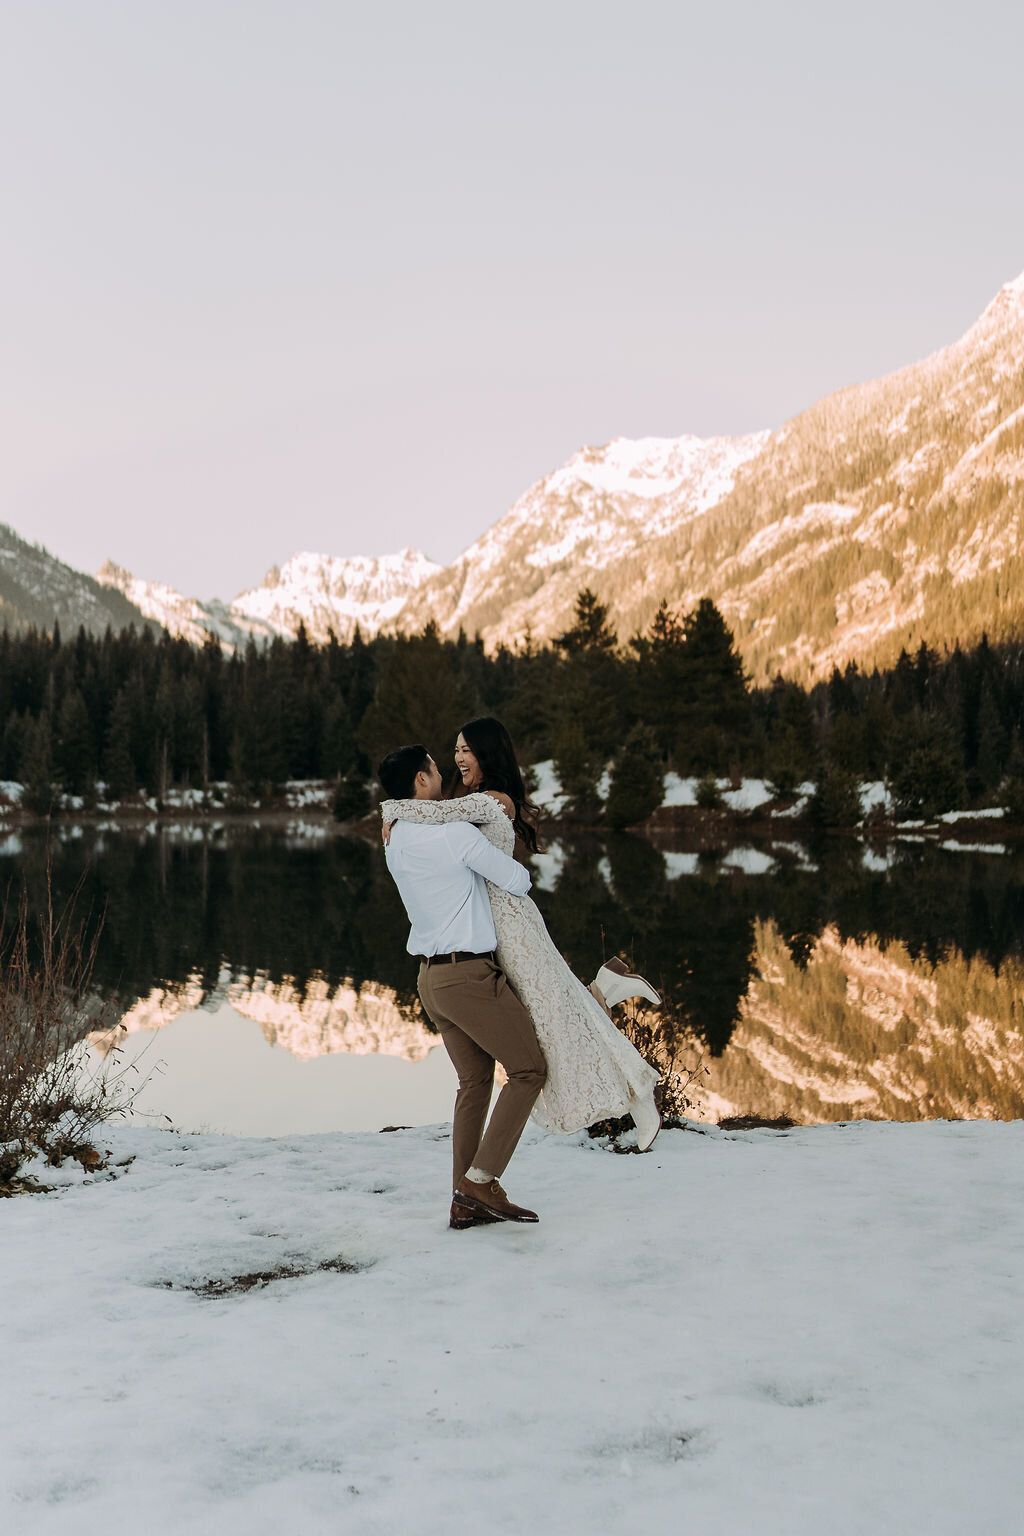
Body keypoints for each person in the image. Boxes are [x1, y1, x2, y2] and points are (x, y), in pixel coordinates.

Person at [381, 716, 662, 1153]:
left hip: (510, 922)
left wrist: (393, 812)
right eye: (454, 751)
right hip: (486, 925)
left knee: (554, 1019)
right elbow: (438, 823)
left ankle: (639, 1097)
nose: (457, 759)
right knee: (552, 1012)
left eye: (466, 751)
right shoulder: (467, 800)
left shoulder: (493, 801)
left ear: (487, 754)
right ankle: (606, 986)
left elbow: (436, 813)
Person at [378, 743, 548, 1232]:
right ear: (420, 782)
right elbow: (518, 880)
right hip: (469, 975)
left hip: (431, 981)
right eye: (434, 766)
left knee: (474, 1083)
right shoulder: (452, 835)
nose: (442, 771)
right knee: (529, 1069)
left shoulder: (395, 839)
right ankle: (480, 1182)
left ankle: (463, 1200)